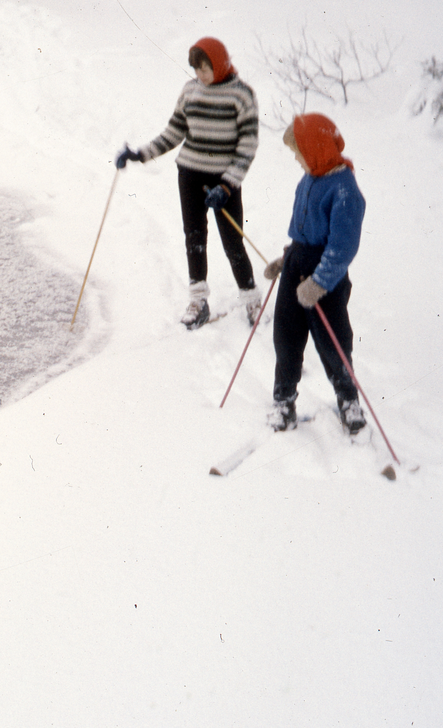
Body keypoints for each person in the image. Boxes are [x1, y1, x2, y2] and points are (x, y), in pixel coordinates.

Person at [116, 36, 260, 329]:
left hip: (223, 182)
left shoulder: (242, 95)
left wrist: (227, 186)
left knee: (233, 242)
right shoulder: (190, 91)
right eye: (196, 70)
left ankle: (251, 299)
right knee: (194, 238)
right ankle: (198, 301)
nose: (201, 76)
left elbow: (248, 147)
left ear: (220, 64)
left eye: (206, 69)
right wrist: (139, 154)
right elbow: (173, 132)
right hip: (190, 175)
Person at [262, 113, 367, 435]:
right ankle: (284, 400)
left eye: (298, 152)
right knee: (286, 336)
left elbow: (343, 246)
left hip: (326, 278)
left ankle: (348, 399)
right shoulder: (308, 179)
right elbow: (302, 231)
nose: (296, 159)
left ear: (316, 149)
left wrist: (320, 282)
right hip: (296, 266)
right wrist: (286, 258)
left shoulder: (344, 189)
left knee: (333, 341)